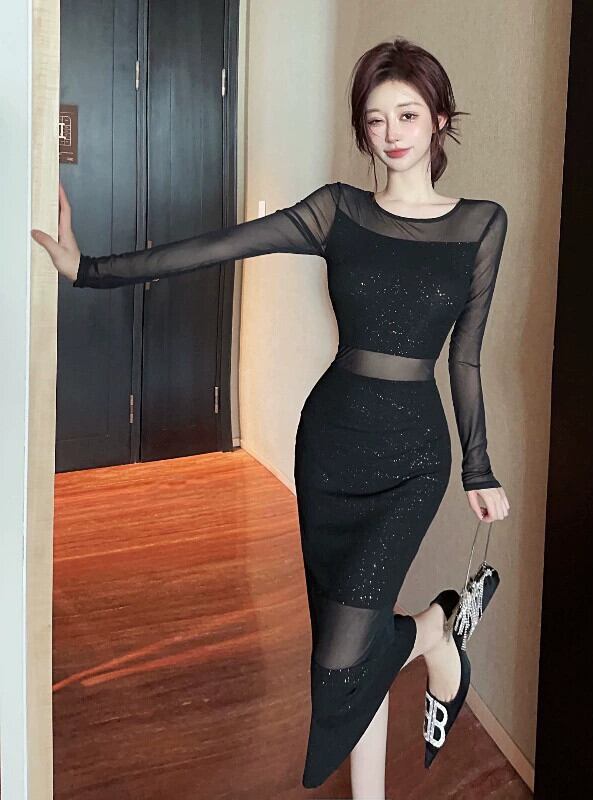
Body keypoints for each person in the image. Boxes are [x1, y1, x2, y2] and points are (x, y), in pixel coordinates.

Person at [32, 36, 511, 800]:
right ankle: (429, 648)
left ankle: (434, 630)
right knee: (349, 644)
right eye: (375, 118)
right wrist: (89, 270)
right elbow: (219, 246)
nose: (391, 132)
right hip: (330, 448)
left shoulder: (480, 224)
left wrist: (478, 467)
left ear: (439, 119)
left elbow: (467, 358)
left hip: (413, 461)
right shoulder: (337, 211)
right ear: (362, 129)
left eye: (407, 114)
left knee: (344, 657)